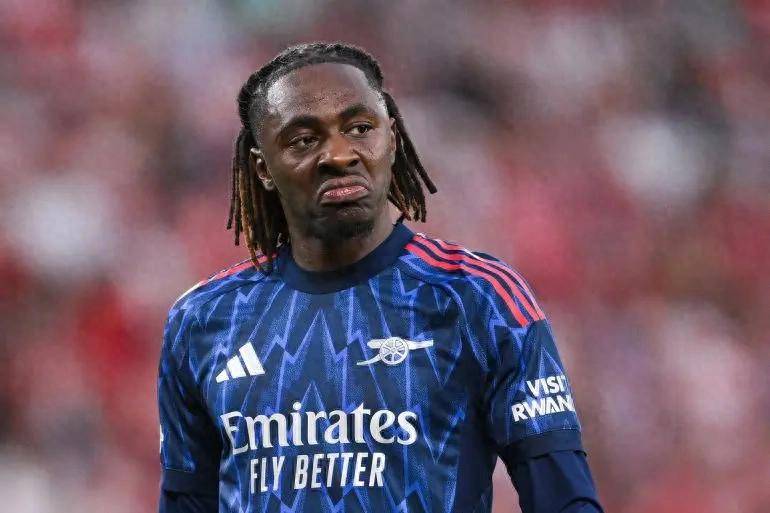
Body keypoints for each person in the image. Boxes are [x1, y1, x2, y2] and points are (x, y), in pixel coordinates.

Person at [158, 42, 603, 513]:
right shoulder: (204, 320)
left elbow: (565, 500)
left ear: (392, 139)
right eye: (303, 139)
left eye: (360, 128)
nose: (338, 154)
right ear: (263, 168)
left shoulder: (478, 298)